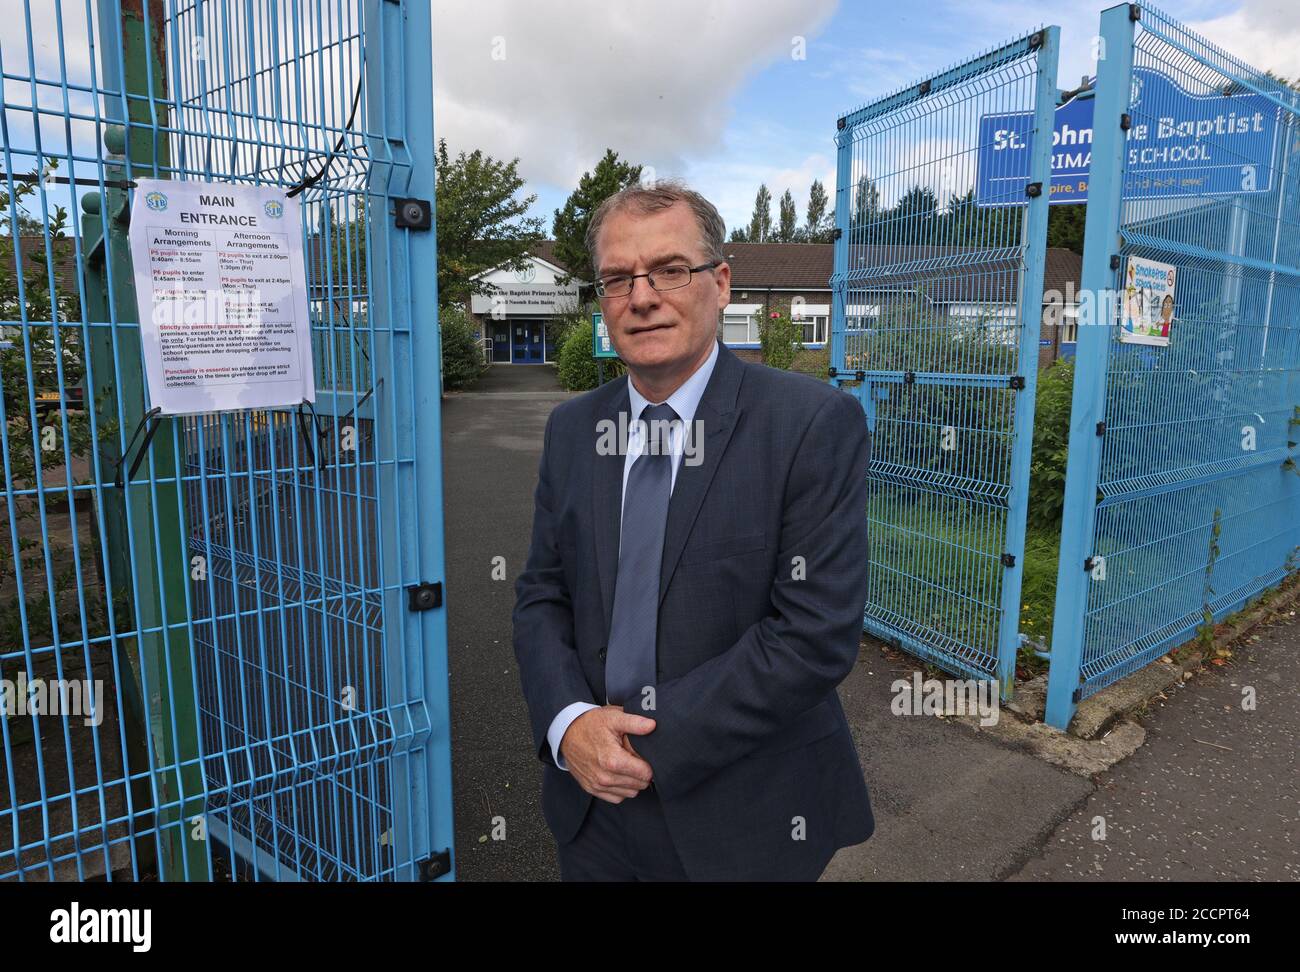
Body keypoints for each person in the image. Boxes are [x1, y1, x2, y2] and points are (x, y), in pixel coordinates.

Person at [512, 178, 874, 881]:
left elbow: (813, 634)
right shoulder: (571, 430)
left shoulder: (809, 425)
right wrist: (568, 725)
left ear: (722, 283)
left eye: (670, 270)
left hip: (744, 815)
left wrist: (638, 741)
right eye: (618, 279)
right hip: (592, 808)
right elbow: (541, 595)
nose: (642, 296)